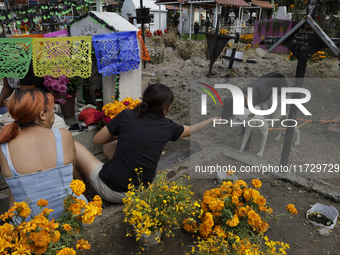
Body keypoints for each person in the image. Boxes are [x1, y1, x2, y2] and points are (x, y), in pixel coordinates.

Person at [74, 84, 218, 203]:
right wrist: (210, 120)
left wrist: (122, 132)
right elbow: (192, 129)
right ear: (165, 108)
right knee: (114, 146)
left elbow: (97, 139)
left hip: (112, 190)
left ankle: (85, 198)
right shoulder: (168, 126)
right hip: (141, 190)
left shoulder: (128, 115)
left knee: (74, 145)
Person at [0, 89, 87, 220]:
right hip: (73, 218)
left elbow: (14, 193)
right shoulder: (63, 136)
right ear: (42, 115)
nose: (54, 113)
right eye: (53, 109)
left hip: (30, 228)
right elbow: (73, 179)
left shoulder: (4, 147)